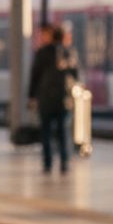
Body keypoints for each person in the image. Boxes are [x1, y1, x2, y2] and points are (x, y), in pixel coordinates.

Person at [27, 24, 79, 174]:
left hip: (45, 99)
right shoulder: (69, 52)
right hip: (64, 99)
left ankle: (48, 163)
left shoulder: (42, 52)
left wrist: (31, 96)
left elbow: (34, 76)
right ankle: (64, 162)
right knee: (63, 131)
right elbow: (76, 75)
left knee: (46, 132)